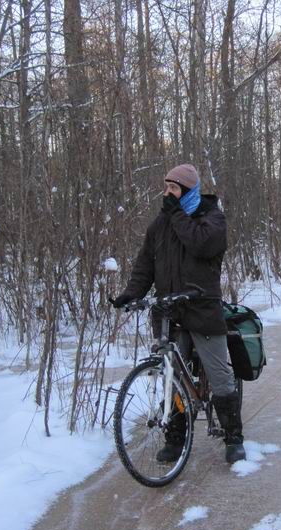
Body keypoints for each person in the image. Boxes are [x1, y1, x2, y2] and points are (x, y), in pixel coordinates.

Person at [109, 164, 246, 464]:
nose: (166, 193)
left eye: (173, 188)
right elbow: (145, 264)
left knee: (220, 375)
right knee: (173, 378)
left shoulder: (211, 218)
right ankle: (176, 438)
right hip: (169, 311)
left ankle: (233, 437)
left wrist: (176, 215)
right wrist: (131, 294)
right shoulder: (160, 224)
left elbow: (201, 244)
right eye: (165, 187)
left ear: (188, 190)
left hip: (202, 308)